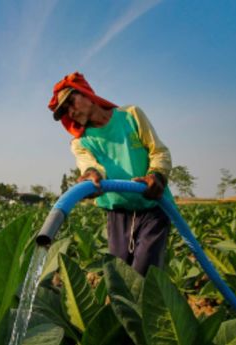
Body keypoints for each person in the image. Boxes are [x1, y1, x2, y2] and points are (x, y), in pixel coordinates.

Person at [48, 72, 174, 276]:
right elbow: (91, 167)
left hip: (154, 207)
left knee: (144, 275)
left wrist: (157, 175)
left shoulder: (131, 115)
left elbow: (158, 151)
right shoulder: (81, 142)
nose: (70, 111)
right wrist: (90, 176)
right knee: (120, 280)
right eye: (65, 111)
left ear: (86, 94)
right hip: (118, 215)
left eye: (71, 102)